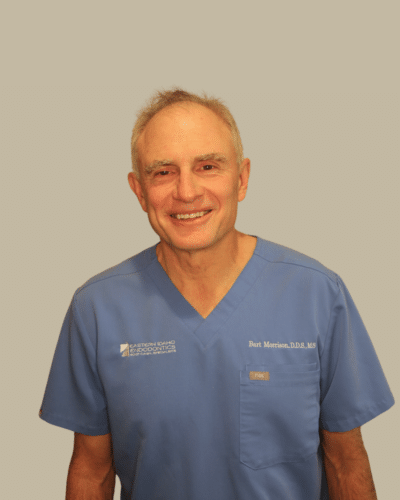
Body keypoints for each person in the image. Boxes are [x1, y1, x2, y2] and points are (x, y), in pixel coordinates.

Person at [39, 88, 394, 500]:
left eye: (207, 166)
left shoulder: (317, 295)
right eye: (163, 172)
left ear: (241, 179)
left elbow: (346, 462)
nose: (187, 191)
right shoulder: (97, 310)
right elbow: (91, 471)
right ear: (139, 191)